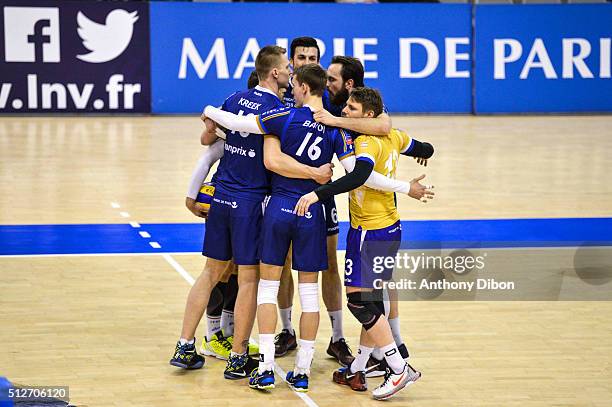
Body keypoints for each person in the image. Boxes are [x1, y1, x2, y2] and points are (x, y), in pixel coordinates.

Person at [203, 64, 429, 392]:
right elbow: (356, 171)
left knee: (267, 288)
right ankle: (303, 370)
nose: (291, 90)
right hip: (313, 212)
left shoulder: (283, 117)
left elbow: (240, 126)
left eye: (294, 85)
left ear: (305, 88)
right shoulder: (338, 131)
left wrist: (210, 110)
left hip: (280, 208)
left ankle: (265, 367)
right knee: (310, 292)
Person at [170, 46, 332, 378]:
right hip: (250, 201)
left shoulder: (233, 98)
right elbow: (274, 160)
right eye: (288, 66)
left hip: (221, 195)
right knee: (248, 280)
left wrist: (209, 115)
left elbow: (209, 140)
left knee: (210, 273)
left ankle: (184, 345)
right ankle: (239, 355)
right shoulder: (276, 110)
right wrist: (316, 173)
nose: (291, 71)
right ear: (275, 73)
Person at [294, 87, 433, 400]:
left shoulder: (366, 141)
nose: (345, 112)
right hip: (390, 227)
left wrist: (317, 194)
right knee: (370, 299)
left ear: (368, 116)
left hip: (370, 230)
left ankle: (398, 368)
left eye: (352, 109)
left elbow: (360, 176)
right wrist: (422, 152)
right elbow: (427, 146)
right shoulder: (395, 136)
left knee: (358, 301)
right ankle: (358, 366)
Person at [273, 37, 354, 366]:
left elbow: (379, 121)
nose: (307, 59)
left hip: (321, 196)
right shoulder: (281, 99)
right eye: (302, 56)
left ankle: (337, 337)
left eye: (313, 56)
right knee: (283, 263)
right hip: (285, 192)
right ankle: (287, 329)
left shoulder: (333, 102)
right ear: (292, 62)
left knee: (330, 262)